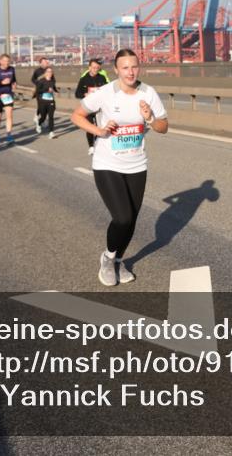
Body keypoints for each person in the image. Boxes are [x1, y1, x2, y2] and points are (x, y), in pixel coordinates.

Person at [70, 49, 168, 287]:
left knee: (132, 220)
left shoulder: (148, 93)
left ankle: (119, 261)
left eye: (134, 67)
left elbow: (164, 127)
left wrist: (151, 118)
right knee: (122, 218)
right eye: (125, 67)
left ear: (139, 68)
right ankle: (108, 258)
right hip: (107, 164)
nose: (130, 72)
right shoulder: (105, 93)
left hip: (137, 164)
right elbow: (77, 116)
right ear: (116, 70)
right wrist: (99, 131)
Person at [75, 58, 109, 156]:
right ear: (89, 67)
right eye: (93, 67)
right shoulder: (84, 79)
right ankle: (91, 146)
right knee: (90, 126)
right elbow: (77, 93)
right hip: (88, 107)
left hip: (99, 107)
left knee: (100, 127)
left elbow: (108, 91)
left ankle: (98, 144)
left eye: (97, 68)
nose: (95, 69)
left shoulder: (102, 78)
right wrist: (85, 94)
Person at [0, 54, 17, 145]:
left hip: (8, 95)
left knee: (9, 114)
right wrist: (1, 82)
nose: (6, 63)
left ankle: (9, 134)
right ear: (0, 61)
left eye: (8, 61)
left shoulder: (12, 69)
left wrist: (14, 83)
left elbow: (14, 79)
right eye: (4, 61)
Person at [34, 66, 57, 139]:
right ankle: (39, 123)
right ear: (45, 73)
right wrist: (47, 89)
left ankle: (51, 132)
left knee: (51, 117)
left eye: (51, 72)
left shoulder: (53, 81)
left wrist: (56, 91)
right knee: (43, 117)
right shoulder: (41, 81)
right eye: (48, 72)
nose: (50, 73)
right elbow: (38, 91)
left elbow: (54, 88)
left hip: (51, 101)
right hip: (43, 101)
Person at [31, 57, 50, 125]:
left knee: (46, 106)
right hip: (39, 91)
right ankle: (38, 117)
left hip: (47, 91)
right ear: (41, 63)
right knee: (41, 105)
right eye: (44, 62)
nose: (46, 63)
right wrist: (38, 83)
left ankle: (42, 119)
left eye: (46, 62)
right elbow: (33, 79)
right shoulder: (37, 71)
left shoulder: (49, 70)